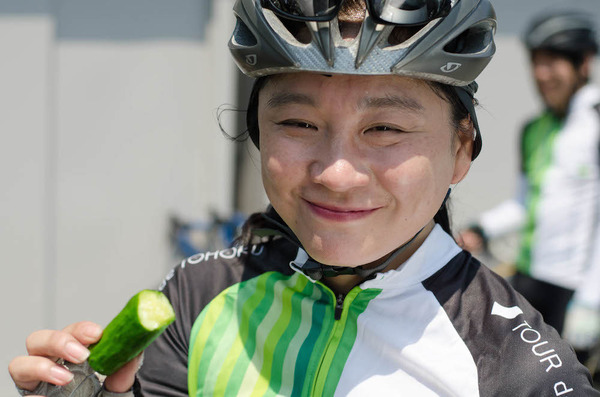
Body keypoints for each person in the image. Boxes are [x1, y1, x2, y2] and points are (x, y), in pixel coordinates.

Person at [9, 0, 599, 395]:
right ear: (258, 130)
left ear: (463, 149)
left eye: (385, 129)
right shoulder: (200, 295)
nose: (337, 173)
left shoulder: (520, 373)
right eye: (297, 122)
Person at [460, 10, 600, 369]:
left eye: (552, 63)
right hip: (531, 278)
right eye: (536, 62)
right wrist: (481, 229)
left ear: (583, 62)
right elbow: (526, 203)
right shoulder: (534, 129)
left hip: (577, 291)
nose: (541, 74)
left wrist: (592, 300)